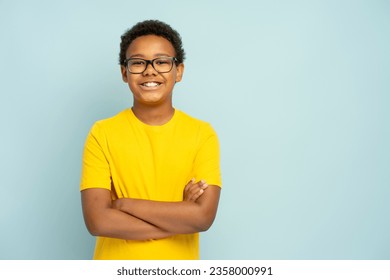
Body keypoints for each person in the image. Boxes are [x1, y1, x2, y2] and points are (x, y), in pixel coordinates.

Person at [80, 19, 222, 260]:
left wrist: (124, 205)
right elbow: (98, 221)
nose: (149, 70)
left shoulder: (201, 134)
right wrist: (180, 216)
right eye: (137, 63)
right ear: (125, 73)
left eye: (162, 62)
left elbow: (202, 218)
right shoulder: (102, 132)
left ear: (179, 71)